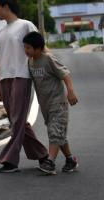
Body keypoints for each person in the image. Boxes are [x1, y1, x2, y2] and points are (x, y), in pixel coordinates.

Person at [0, 0, 51, 174]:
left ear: (6, 7)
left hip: (22, 75)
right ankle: (42, 154)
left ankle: (10, 160)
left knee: (17, 119)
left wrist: (50, 68)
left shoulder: (25, 25)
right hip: (5, 78)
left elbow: (41, 47)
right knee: (16, 120)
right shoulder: (1, 32)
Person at [22, 32, 79, 175]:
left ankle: (50, 162)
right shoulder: (30, 62)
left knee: (55, 132)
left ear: (38, 48)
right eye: (25, 47)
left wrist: (70, 91)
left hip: (58, 103)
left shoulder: (48, 59)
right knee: (58, 134)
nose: (25, 50)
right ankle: (70, 160)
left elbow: (65, 74)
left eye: (28, 47)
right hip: (45, 105)